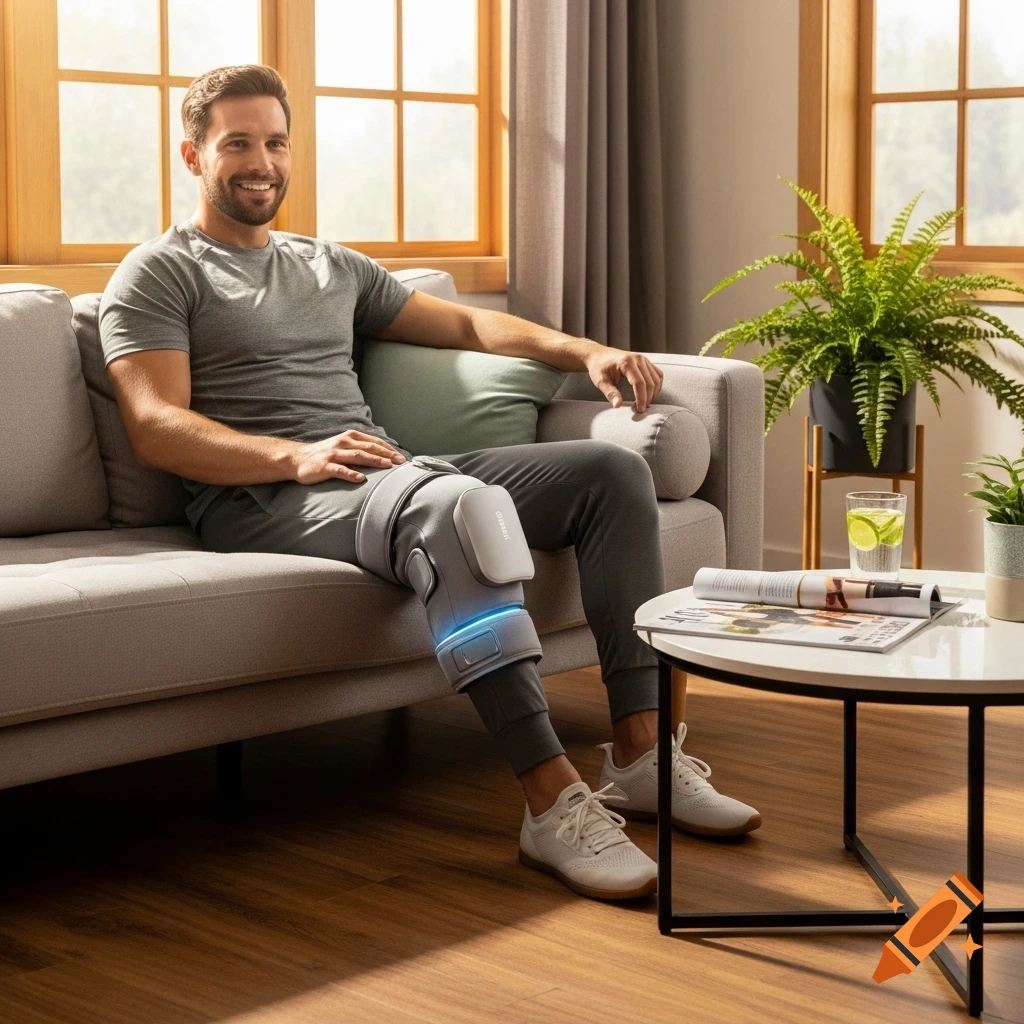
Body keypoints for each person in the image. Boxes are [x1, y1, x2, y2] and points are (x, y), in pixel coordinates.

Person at [99, 64, 761, 902]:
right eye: (237, 144)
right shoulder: (159, 272)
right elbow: (155, 425)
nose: (261, 162)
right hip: (264, 497)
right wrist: (293, 457)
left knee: (611, 472)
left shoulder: (328, 265)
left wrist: (585, 351)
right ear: (193, 156)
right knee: (458, 509)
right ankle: (550, 801)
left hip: (383, 472)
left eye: (275, 142)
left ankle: (640, 753)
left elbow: (470, 325)